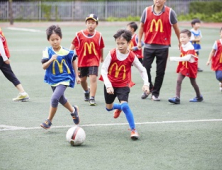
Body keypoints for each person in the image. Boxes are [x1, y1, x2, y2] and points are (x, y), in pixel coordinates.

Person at [101, 29, 149, 140]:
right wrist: (108, 85)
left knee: (125, 105)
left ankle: (133, 130)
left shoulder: (132, 56)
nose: (120, 46)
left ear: (129, 43)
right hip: (110, 84)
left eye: (122, 43)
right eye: (118, 43)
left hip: (123, 84)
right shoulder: (112, 53)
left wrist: (146, 84)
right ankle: (119, 107)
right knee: (108, 108)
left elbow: (142, 70)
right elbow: (103, 70)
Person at [137, 0, 180, 101]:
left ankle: (155, 93)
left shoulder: (170, 12)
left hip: (163, 47)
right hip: (148, 46)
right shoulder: (146, 11)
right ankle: (150, 88)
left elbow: (176, 28)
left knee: (160, 72)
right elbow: (141, 26)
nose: (158, 0)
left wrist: (180, 41)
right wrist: (139, 41)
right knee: (145, 69)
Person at [40, 25, 80, 129]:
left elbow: (73, 61)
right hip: (53, 79)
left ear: (61, 38)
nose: (55, 42)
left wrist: (77, 76)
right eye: (52, 40)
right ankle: (73, 111)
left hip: (65, 78)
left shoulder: (66, 52)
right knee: (61, 99)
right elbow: (44, 66)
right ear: (48, 40)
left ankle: (49, 121)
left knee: (54, 98)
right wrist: (51, 59)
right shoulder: (47, 51)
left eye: (57, 39)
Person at [70, 14, 105, 106]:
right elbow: (73, 45)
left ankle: (92, 97)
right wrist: (69, 55)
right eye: (89, 23)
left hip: (94, 60)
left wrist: (101, 57)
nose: (90, 25)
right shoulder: (79, 34)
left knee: (93, 78)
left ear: (96, 24)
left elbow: (101, 47)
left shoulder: (99, 35)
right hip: (82, 61)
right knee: (82, 80)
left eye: (93, 23)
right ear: (86, 24)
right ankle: (86, 91)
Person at [168, 29, 203, 104]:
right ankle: (177, 98)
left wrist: (173, 58)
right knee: (178, 81)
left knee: (193, 83)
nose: (182, 39)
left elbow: (187, 58)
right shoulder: (182, 45)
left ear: (189, 38)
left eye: (184, 37)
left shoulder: (190, 47)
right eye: (181, 37)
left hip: (191, 67)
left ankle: (199, 96)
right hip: (184, 66)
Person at [0, 27, 29, 102]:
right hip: (2, 57)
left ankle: (23, 93)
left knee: (10, 75)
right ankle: (22, 92)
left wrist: (5, 58)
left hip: (1, 56)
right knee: (10, 75)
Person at [206, 27, 222, 92]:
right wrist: (208, 60)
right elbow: (212, 51)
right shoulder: (217, 42)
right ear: (220, 33)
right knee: (219, 76)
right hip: (218, 63)